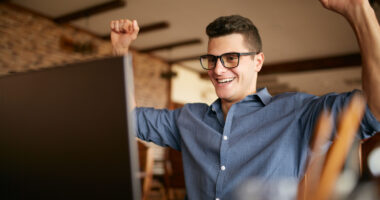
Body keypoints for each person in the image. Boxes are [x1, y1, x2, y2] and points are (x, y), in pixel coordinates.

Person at [110, 0, 380, 199]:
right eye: (212, 59)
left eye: (231, 59)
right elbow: (127, 117)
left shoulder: (297, 112)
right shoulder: (188, 119)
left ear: (258, 61)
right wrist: (120, 51)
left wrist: (359, 11)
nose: (217, 70)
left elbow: (375, 110)